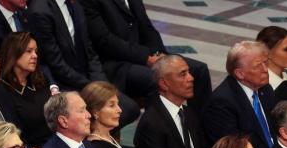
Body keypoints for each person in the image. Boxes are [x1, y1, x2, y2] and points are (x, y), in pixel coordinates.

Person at [81, 0, 212, 115]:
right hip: (117, 64)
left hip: (143, 56)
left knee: (199, 70)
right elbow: (105, 41)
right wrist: (146, 58)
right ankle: (158, 136)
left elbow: (146, 26)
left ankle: (200, 134)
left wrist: (160, 54)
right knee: (156, 79)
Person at [27, 0, 140, 127]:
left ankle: (100, 141)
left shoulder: (76, 4)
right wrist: (90, 85)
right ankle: (94, 142)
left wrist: (99, 82)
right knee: (110, 113)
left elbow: (89, 50)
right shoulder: (40, 11)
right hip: (63, 83)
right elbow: (56, 64)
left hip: (87, 78)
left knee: (130, 109)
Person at [134, 55, 207, 148]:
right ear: (164, 84)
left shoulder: (188, 113)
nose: (191, 78)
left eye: (189, 72)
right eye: (183, 74)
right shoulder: (151, 124)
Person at [202, 40, 276, 148]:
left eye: (265, 63)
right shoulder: (221, 103)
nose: (265, 69)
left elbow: (275, 128)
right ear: (240, 74)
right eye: (258, 66)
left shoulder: (265, 89)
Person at [0, 31, 52, 148]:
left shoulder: (40, 80)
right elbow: (14, 132)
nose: (35, 56)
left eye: (36, 51)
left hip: (55, 142)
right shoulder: (1, 89)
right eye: (29, 51)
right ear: (13, 53)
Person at [80, 81, 134, 148]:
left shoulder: (109, 138)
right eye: (112, 105)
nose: (119, 110)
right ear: (95, 111)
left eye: (118, 104)